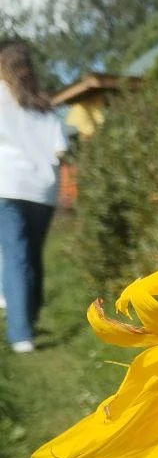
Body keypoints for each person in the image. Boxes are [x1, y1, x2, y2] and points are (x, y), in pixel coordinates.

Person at [0, 39, 67, 353]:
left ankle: (20, 333)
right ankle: (29, 314)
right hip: (44, 190)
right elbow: (61, 149)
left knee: (16, 256)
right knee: (32, 256)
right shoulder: (45, 104)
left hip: (10, 185)